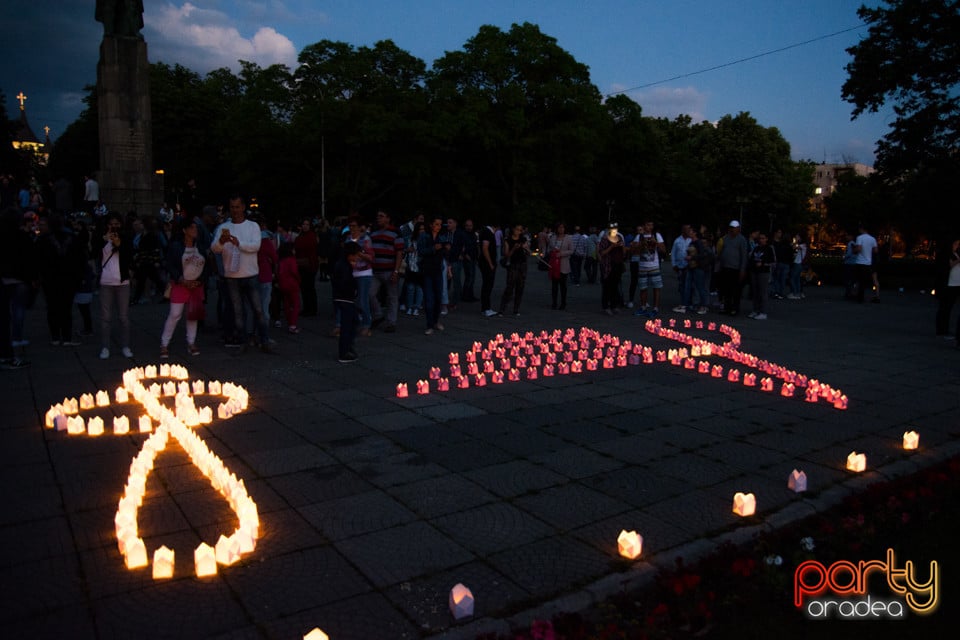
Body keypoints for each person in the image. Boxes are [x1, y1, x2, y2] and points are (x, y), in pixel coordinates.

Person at [210, 195, 271, 351]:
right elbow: (214, 249)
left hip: (250, 274)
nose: (235, 210)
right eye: (232, 207)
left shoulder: (252, 226)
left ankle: (264, 340)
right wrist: (222, 242)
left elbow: (255, 246)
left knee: (258, 309)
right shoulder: (224, 227)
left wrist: (239, 243)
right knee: (238, 312)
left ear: (243, 207)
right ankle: (242, 341)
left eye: (237, 207)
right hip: (232, 276)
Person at [159, 219, 206, 357]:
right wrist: (180, 278)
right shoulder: (176, 247)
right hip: (180, 284)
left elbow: (207, 266)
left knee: (193, 315)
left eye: (195, 228)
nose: (195, 230)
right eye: (191, 228)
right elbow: (170, 264)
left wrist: (199, 280)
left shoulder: (200, 247)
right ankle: (164, 343)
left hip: (196, 285)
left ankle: (191, 342)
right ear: (184, 230)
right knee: (175, 314)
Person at [98, 212, 134, 358]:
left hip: (122, 281)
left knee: (123, 317)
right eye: (111, 224)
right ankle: (105, 347)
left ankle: (125, 346)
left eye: (117, 224)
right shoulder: (101, 239)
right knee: (106, 317)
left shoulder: (125, 238)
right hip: (106, 281)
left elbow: (128, 256)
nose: (114, 227)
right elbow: (95, 253)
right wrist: (105, 241)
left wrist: (119, 244)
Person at [369, 210, 405, 332]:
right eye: (378, 216)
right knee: (370, 294)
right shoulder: (374, 233)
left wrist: (396, 271)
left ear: (388, 219)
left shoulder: (395, 233)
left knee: (392, 297)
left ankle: (391, 322)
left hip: (389, 270)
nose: (378, 218)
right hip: (376, 270)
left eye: (381, 216)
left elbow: (399, 253)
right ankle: (378, 314)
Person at [418, 216, 450, 335]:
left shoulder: (442, 237)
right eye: (436, 224)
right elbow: (420, 251)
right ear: (431, 224)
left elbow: (444, 253)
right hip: (427, 270)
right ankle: (429, 324)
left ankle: (436, 321)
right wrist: (433, 248)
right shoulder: (424, 236)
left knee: (438, 297)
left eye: (440, 224)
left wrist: (446, 249)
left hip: (438, 270)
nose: (438, 227)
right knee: (429, 298)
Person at [333, 243, 361, 363]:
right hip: (345, 298)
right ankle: (344, 353)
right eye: (356, 255)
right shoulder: (344, 266)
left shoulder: (343, 264)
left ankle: (348, 348)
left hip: (344, 298)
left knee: (353, 321)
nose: (358, 258)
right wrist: (353, 289)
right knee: (347, 325)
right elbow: (344, 283)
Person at [631, 221, 665, 317]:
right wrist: (641, 244)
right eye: (647, 224)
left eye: (651, 225)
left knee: (656, 288)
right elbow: (633, 251)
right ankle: (643, 307)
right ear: (643, 225)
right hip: (642, 266)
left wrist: (656, 243)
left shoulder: (657, 235)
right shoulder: (639, 236)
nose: (649, 227)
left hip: (654, 266)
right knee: (643, 288)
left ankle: (655, 308)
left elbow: (664, 250)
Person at [715, 220, 749, 316]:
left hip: (736, 269)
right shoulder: (725, 238)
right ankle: (727, 307)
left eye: (734, 228)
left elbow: (744, 255)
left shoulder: (742, 240)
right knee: (726, 289)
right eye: (731, 228)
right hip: (725, 267)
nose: (732, 230)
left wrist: (742, 270)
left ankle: (735, 308)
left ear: (738, 229)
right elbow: (720, 251)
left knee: (736, 290)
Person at [499, 223, 530, 316]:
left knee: (520, 287)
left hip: (522, 265)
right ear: (513, 229)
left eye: (520, 230)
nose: (519, 232)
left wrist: (526, 249)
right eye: (517, 229)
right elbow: (506, 255)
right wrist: (513, 249)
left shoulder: (523, 239)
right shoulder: (507, 240)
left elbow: (529, 253)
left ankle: (516, 309)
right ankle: (502, 309)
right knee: (509, 287)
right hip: (512, 265)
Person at [934, 237, 960, 343]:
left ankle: (946, 329)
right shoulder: (946, 254)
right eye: (956, 244)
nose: (957, 246)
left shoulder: (956, 253)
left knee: (949, 307)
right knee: (945, 308)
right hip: (949, 285)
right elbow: (948, 266)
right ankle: (941, 330)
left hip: (956, 284)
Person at [598, 222, 626, 315]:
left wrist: (622, 247)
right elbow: (602, 253)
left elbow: (624, 253)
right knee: (607, 287)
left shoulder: (620, 237)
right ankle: (606, 306)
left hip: (617, 265)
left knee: (615, 287)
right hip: (608, 266)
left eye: (615, 228)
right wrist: (611, 247)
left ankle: (614, 305)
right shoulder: (605, 239)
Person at [293, 218, 319, 316]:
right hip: (301, 264)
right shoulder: (300, 237)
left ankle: (312, 308)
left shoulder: (311, 236)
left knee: (310, 287)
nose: (305, 226)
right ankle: (307, 307)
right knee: (304, 287)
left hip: (310, 264)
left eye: (307, 224)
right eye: (303, 224)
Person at [747, 231, 775, 320]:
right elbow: (751, 258)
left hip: (763, 272)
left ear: (766, 239)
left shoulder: (769, 249)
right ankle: (755, 310)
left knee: (763, 292)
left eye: (763, 238)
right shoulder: (756, 248)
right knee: (755, 292)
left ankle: (763, 312)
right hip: (755, 272)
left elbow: (772, 261)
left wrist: (763, 264)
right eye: (760, 238)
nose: (761, 240)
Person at [548, 222, 574, 310]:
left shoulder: (569, 238)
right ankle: (554, 302)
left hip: (563, 265)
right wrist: (553, 252)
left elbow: (571, 250)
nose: (561, 229)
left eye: (562, 227)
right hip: (554, 265)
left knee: (563, 286)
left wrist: (561, 253)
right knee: (554, 286)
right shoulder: (553, 237)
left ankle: (563, 303)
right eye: (559, 227)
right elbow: (550, 248)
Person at [277, 243, 301, 333]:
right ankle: (293, 324)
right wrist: (299, 279)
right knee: (295, 304)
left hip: (283, 284)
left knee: (287, 304)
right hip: (292, 284)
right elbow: (294, 272)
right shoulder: (291, 260)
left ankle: (290, 322)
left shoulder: (281, 260)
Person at [403, 221, 425, 316]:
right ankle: (410, 307)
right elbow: (403, 250)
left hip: (421, 267)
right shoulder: (410, 239)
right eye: (420, 229)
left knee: (419, 288)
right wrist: (408, 250)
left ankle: (416, 307)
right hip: (411, 266)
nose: (422, 231)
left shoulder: (426, 239)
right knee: (410, 287)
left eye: (423, 229)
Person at [479, 222, 499, 317]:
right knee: (488, 284)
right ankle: (486, 308)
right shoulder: (487, 233)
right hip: (487, 263)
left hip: (486, 262)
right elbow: (485, 248)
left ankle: (485, 307)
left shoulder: (486, 232)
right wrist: (490, 263)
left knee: (487, 285)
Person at [670, 224, 692, 308]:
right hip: (680, 266)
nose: (688, 231)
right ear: (683, 230)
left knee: (689, 285)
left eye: (689, 229)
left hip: (689, 266)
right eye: (686, 229)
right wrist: (674, 264)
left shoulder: (691, 240)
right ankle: (683, 301)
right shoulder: (677, 240)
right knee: (682, 285)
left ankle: (689, 302)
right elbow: (673, 253)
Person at [788, 233, 809, 300]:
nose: (796, 238)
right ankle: (798, 293)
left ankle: (794, 293)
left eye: (797, 237)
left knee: (792, 278)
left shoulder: (802, 245)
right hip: (799, 264)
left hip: (798, 263)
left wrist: (795, 241)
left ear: (800, 238)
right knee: (797, 279)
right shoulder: (803, 245)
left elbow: (793, 247)